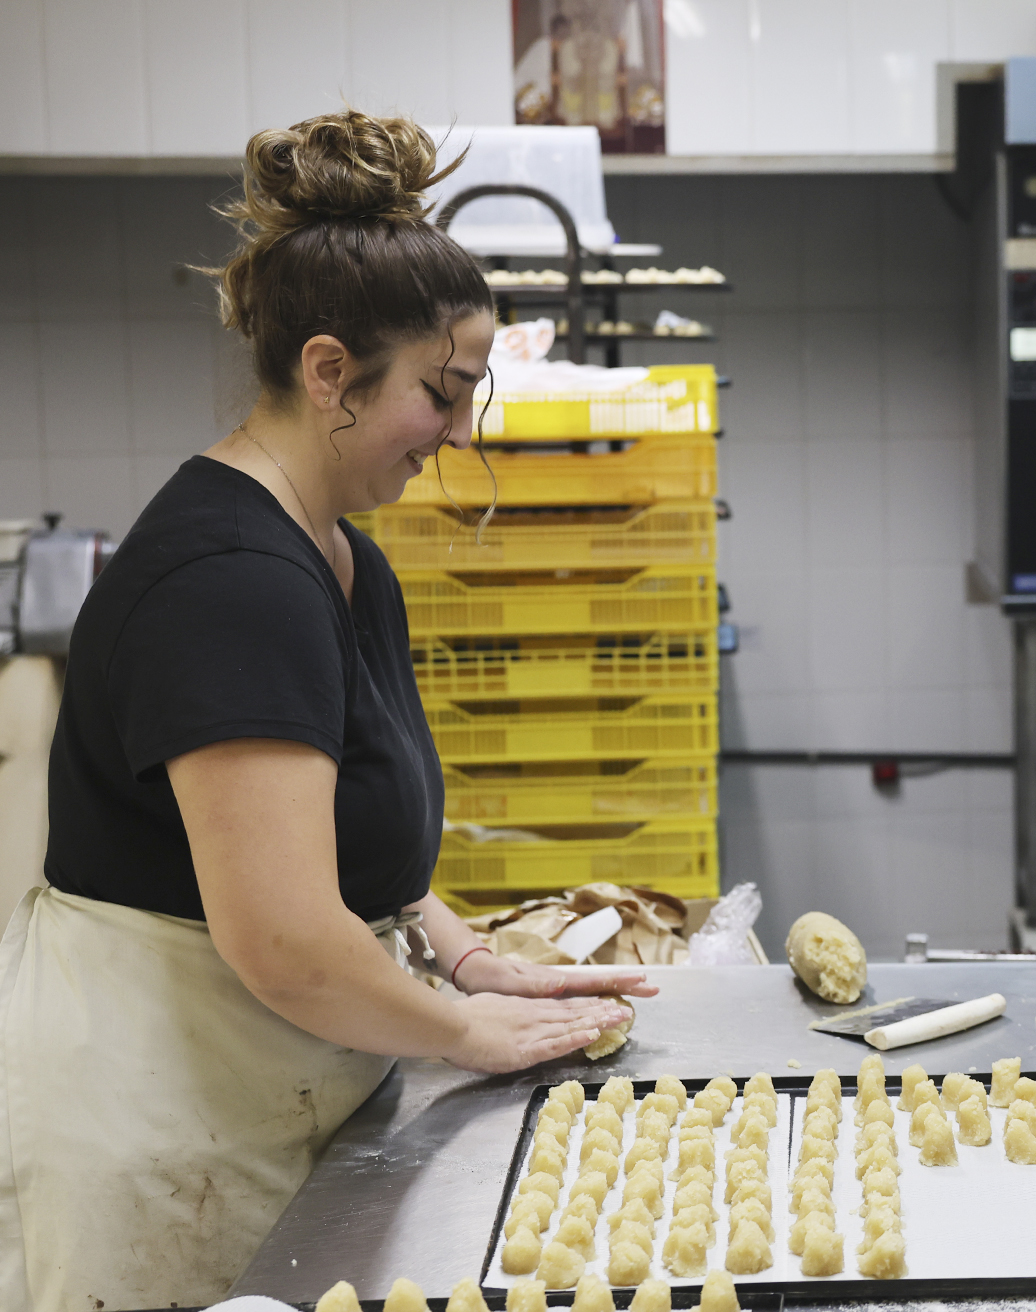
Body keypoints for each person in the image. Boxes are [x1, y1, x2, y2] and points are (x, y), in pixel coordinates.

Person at [0, 110, 658, 1312]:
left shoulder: (342, 559)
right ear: (326, 372)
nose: (461, 432)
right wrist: (465, 1035)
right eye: (442, 392)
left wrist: (466, 959)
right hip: (166, 1128)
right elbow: (284, 936)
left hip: (277, 1085)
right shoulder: (228, 584)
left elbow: (348, 839)